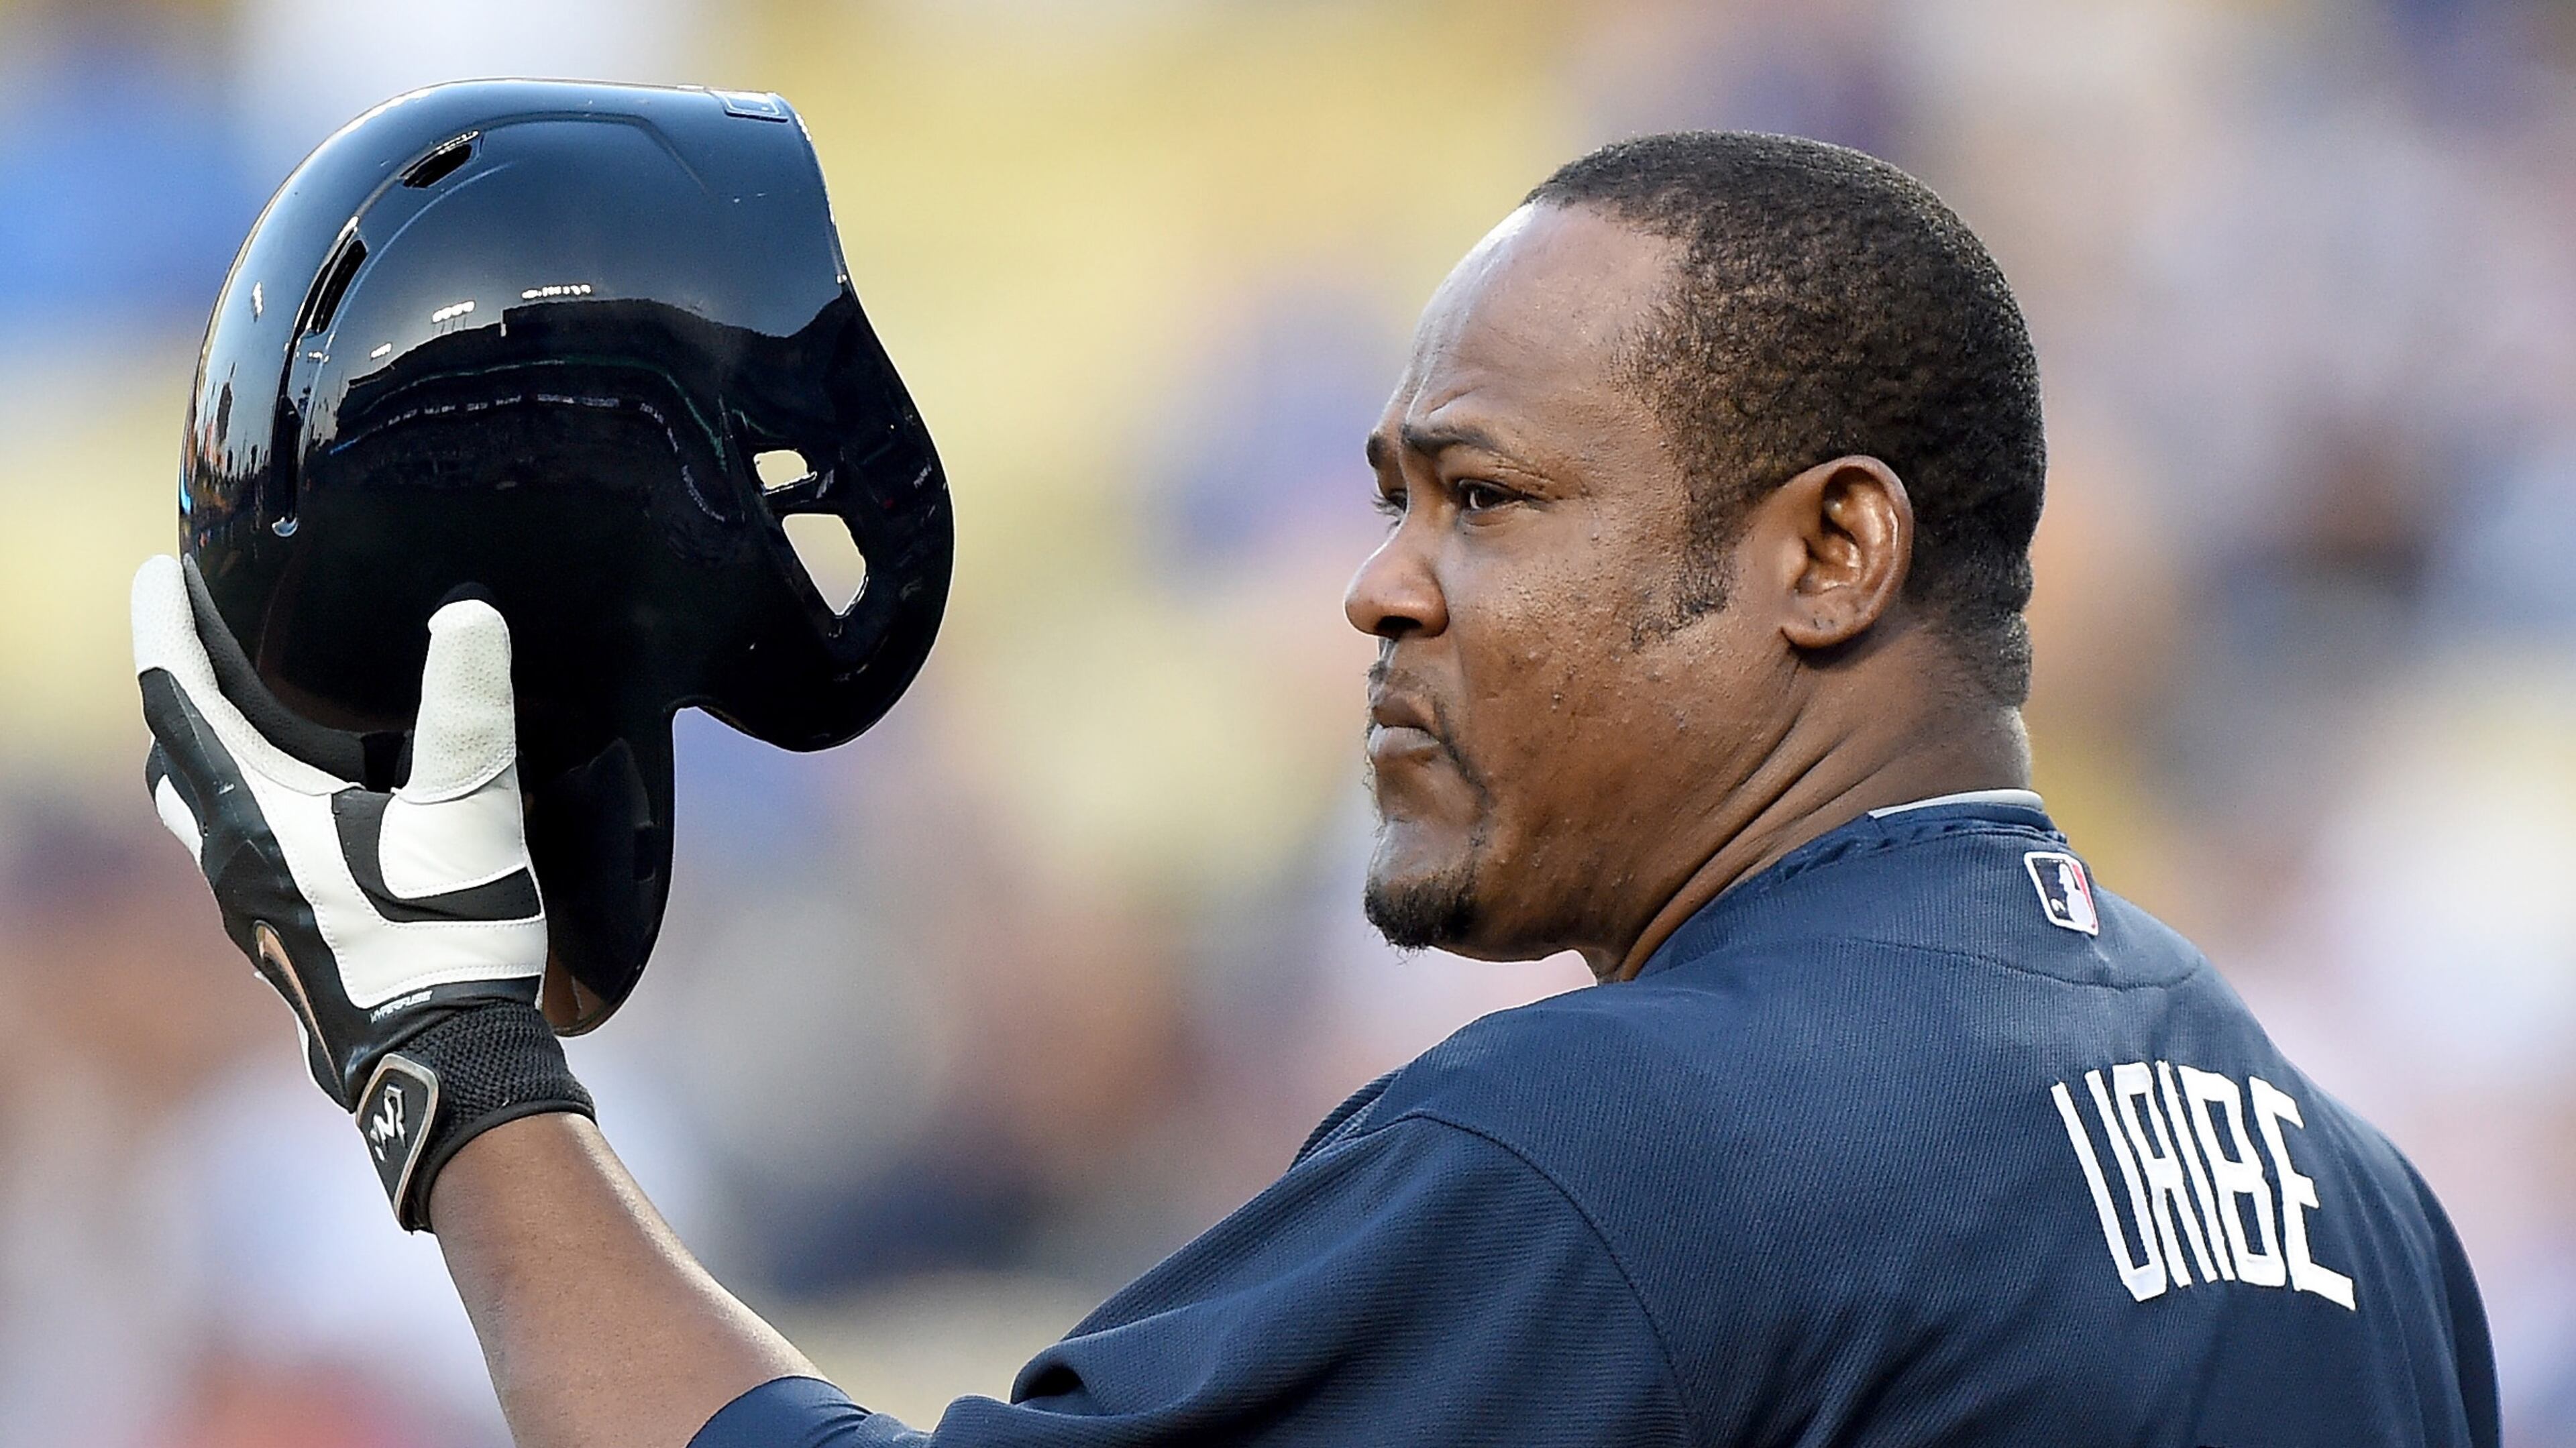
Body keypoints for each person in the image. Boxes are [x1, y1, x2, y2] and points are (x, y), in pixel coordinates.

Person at [134, 131, 2499, 1447]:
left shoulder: (1632, 1154)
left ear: (1833, 550)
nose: (1376, 591)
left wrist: (452, 1072)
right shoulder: (2356, 1195)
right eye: (1382, 497)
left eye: (1482, 500)